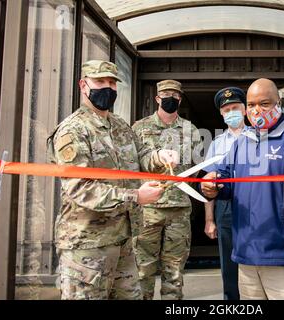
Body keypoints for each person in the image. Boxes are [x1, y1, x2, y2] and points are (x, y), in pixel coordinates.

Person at [47, 60, 178, 300]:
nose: (107, 88)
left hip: (123, 240)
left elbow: (140, 156)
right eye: (100, 82)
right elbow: (81, 188)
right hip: (86, 245)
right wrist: (136, 196)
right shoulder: (72, 131)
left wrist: (159, 156)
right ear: (83, 85)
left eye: (111, 83)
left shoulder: (119, 125)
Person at [201, 78, 284, 300]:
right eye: (251, 105)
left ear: (278, 103)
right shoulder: (241, 143)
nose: (256, 110)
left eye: (264, 103)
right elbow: (225, 181)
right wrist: (213, 186)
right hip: (246, 258)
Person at [132, 79, 202, 300]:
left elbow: (196, 167)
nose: (169, 99)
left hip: (179, 210)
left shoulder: (190, 130)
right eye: (165, 96)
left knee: (174, 273)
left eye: (174, 96)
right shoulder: (139, 127)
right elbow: (132, 164)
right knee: (143, 270)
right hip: (147, 210)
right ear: (157, 98)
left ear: (180, 99)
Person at [203, 87, 249, 300]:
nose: (231, 112)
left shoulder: (261, 137)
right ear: (222, 114)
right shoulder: (216, 143)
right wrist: (209, 220)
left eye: (236, 108)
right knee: (229, 264)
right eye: (227, 109)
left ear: (245, 110)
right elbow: (209, 185)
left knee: (254, 262)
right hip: (226, 207)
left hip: (254, 206)